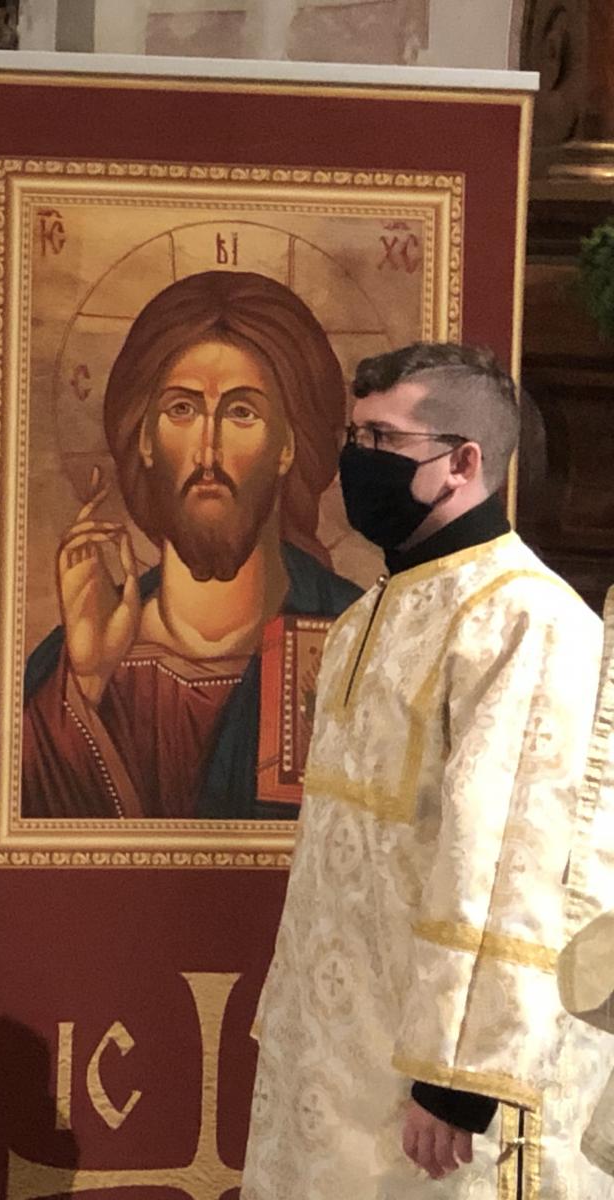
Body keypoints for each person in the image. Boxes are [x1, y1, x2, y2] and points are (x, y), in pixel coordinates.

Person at [244, 342, 614, 1197]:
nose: (356, 461)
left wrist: (458, 1077)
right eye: (355, 436)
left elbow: (512, 861)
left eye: (383, 440)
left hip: (438, 1077)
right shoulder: (369, 614)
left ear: (464, 462)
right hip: (338, 1044)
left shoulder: (526, 621)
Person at [22, 270, 360, 820]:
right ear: (145, 439)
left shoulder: (349, 634)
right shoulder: (74, 665)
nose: (207, 452)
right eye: (181, 409)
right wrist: (86, 684)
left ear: (288, 445)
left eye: (242, 412)